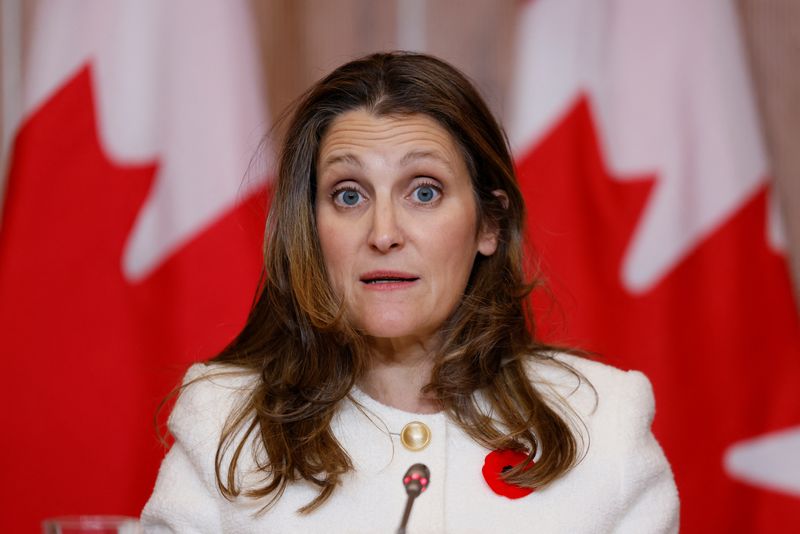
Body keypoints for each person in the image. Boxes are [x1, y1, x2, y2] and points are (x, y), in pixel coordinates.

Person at [141, 51, 679, 533]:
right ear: (310, 229)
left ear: (489, 224)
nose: (382, 233)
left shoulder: (603, 423)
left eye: (424, 191)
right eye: (348, 195)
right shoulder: (223, 425)